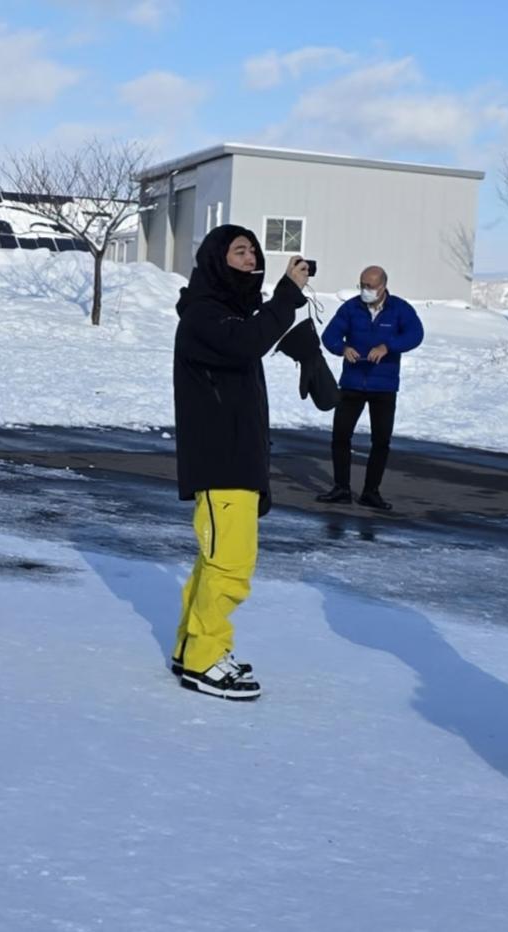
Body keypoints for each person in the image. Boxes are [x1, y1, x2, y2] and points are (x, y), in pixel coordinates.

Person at [171, 224, 309, 701]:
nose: (251, 259)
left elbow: (251, 336)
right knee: (230, 565)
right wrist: (288, 295)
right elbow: (250, 341)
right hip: (222, 461)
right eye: (239, 251)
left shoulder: (225, 313)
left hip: (234, 458)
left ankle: (192, 648)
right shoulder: (204, 316)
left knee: (214, 563)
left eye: (253, 251)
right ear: (215, 259)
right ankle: (206, 659)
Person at [315, 265, 424, 511]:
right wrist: (342, 348)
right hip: (352, 383)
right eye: (362, 285)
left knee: (381, 440)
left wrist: (388, 346)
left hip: (383, 386)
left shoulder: (400, 309)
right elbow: (330, 335)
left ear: (383, 286)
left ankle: (371, 492)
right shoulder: (351, 308)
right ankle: (341, 488)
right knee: (340, 437)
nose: (365, 290)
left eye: (370, 286)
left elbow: (416, 335)